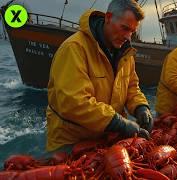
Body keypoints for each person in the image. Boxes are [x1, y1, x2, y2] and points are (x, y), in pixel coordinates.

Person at [46, 0, 153, 152]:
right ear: (108, 17)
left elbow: (131, 87)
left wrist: (141, 107)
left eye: (132, 32)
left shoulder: (126, 54)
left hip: (107, 138)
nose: (128, 37)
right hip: (71, 142)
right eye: (124, 28)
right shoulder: (74, 48)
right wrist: (119, 123)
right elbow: (73, 102)